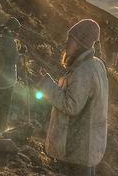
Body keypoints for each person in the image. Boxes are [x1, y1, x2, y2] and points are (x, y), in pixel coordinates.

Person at [37, 19, 109, 176]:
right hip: (87, 147)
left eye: (71, 39)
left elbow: (71, 106)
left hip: (76, 150)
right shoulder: (97, 65)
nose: (66, 43)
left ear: (81, 44)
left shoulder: (84, 70)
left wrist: (46, 85)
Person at [0, 17, 22, 134]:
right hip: (6, 81)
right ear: (14, 30)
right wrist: (19, 53)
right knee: (5, 106)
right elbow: (13, 60)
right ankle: (0, 130)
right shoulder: (10, 42)